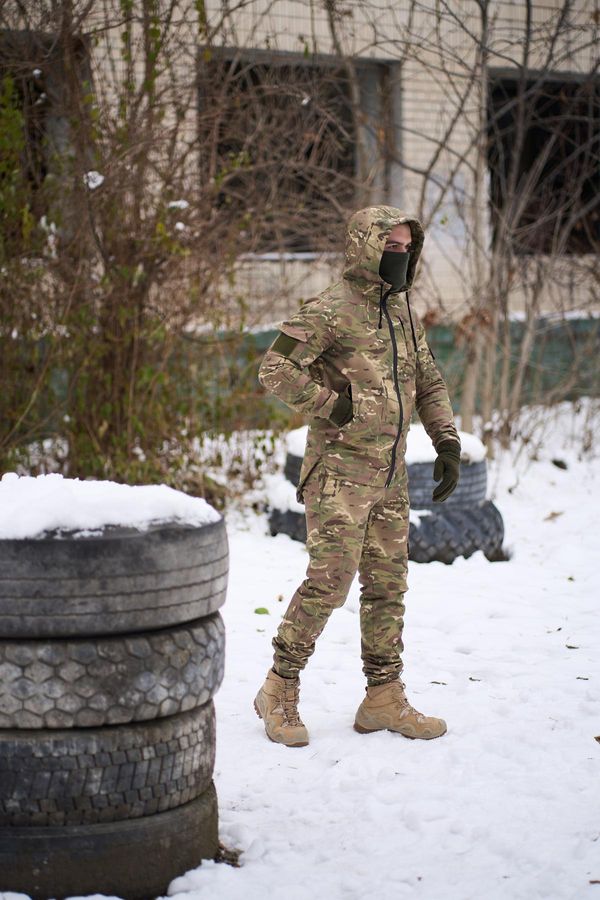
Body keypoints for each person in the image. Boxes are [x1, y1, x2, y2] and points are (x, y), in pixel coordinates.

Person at [254, 206, 461, 748]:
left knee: (388, 586)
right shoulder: (330, 310)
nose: (400, 255)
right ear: (364, 246)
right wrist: (331, 405)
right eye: (389, 246)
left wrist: (446, 441)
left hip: (391, 477)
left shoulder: (402, 313)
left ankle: (383, 697)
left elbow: (430, 382)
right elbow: (273, 369)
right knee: (330, 582)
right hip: (340, 476)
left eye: (405, 247)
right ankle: (279, 688)